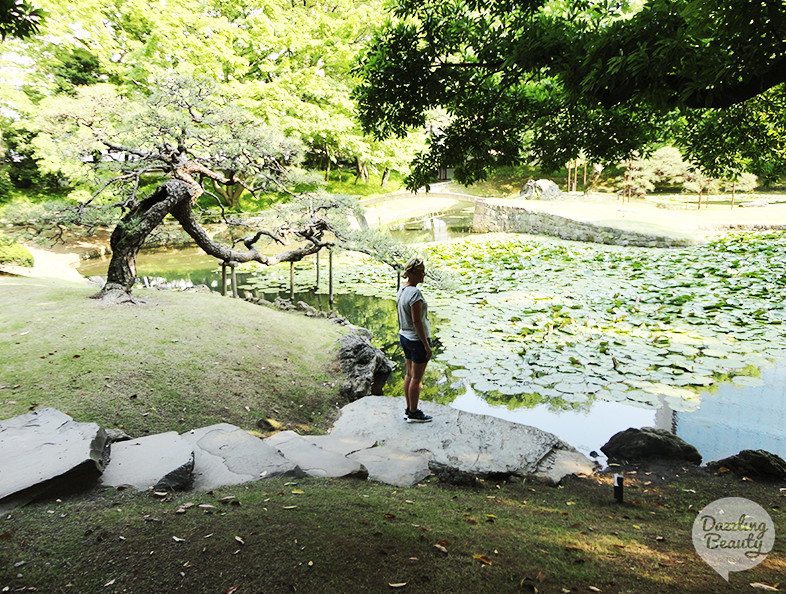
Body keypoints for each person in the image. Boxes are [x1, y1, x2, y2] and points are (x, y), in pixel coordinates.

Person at [397, 257, 433, 423]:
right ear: (412, 273)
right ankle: (413, 412)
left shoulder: (402, 290)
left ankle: (408, 408)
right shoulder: (415, 293)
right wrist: (426, 345)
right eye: (421, 271)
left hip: (404, 336)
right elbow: (416, 321)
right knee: (416, 379)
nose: (424, 274)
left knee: (409, 375)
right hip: (416, 340)